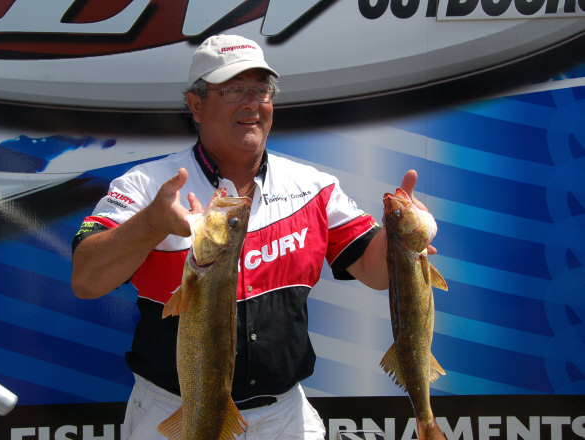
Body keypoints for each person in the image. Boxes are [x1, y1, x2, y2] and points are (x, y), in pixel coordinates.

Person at [71, 34, 435, 440]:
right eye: (233, 90)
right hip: (173, 411)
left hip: (285, 418)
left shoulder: (314, 187)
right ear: (196, 105)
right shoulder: (148, 185)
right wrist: (151, 224)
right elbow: (86, 279)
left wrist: (406, 234)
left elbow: (376, 272)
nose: (251, 103)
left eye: (261, 90)